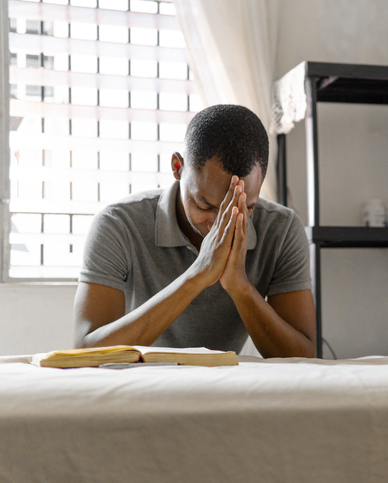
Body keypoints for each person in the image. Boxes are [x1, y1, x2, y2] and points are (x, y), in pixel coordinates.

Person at [73, 105, 316, 358]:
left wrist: (240, 287)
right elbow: (85, 351)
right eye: (205, 205)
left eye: (245, 207)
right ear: (178, 167)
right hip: (140, 387)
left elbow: (304, 357)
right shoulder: (118, 224)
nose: (218, 225)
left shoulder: (282, 229)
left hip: (225, 387)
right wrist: (198, 275)